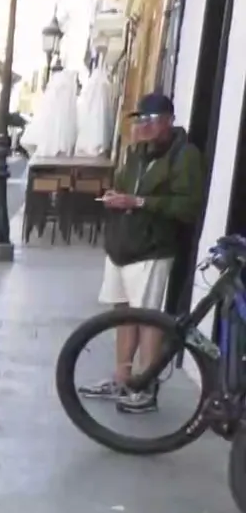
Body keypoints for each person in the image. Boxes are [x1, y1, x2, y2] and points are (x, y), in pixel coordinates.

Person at [82, 92, 207, 415]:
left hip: (152, 249)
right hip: (123, 245)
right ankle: (124, 377)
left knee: (148, 317)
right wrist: (116, 197)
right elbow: (126, 188)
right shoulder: (136, 153)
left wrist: (139, 203)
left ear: (168, 121)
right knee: (123, 313)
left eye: (151, 121)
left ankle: (146, 385)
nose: (144, 127)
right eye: (140, 120)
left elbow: (188, 206)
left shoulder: (185, 156)